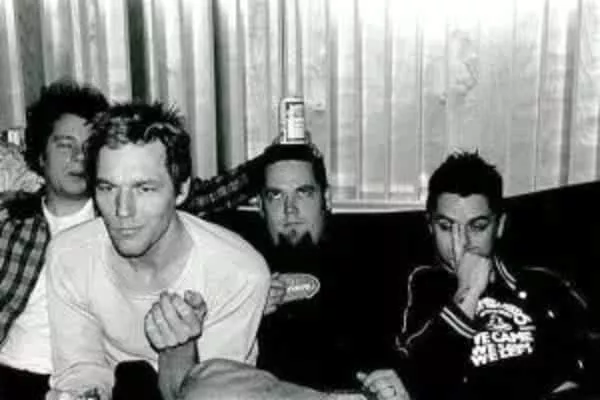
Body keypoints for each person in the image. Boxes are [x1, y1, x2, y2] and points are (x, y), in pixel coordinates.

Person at [45, 102, 270, 400]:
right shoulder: (69, 256)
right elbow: (80, 371)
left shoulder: (238, 273)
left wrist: (180, 352)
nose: (122, 210)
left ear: (182, 190)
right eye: (108, 188)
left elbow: (211, 392)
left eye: (144, 189)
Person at [396, 151, 589, 400]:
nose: (461, 244)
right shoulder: (417, 287)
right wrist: (467, 293)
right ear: (430, 226)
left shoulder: (544, 285)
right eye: (446, 227)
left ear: (500, 226)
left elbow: (582, 362)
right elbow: (423, 383)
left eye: (477, 227)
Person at [252, 142, 407, 397]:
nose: (290, 209)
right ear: (260, 206)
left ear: (326, 198)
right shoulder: (241, 269)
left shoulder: (370, 261)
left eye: (303, 193)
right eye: (276, 195)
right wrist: (249, 309)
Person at [0, 80, 109, 400]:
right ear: (41, 156)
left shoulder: (120, 219)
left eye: (89, 146)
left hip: (88, 382)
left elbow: (200, 192)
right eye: (65, 145)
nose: (79, 157)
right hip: (9, 374)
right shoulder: (11, 221)